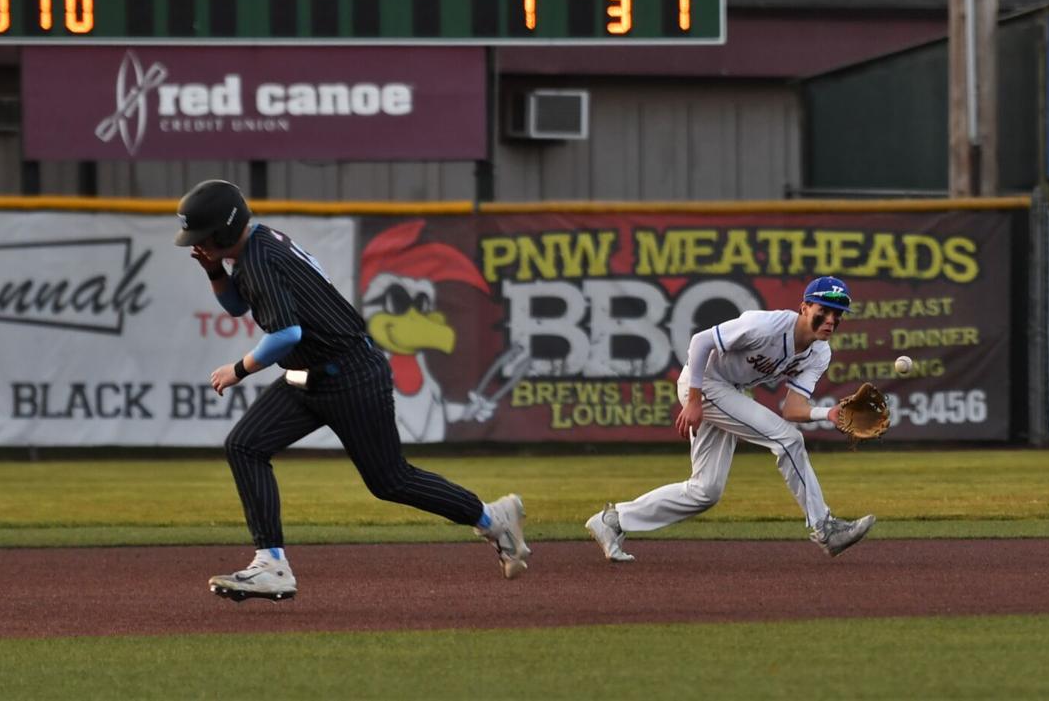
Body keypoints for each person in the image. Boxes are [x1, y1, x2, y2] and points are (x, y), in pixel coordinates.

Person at [174, 179, 529, 601]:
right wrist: (214, 269)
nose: (202, 245)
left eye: (205, 238)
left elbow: (287, 333)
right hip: (308, 376)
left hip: (350, 375)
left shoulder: (260, 259)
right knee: (245, 445)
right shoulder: (257, 246)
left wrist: (239, 368)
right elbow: (237, 306)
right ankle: (271, 564)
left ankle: (492, 519)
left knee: (390, 480)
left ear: (226, 230)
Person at [585, 275, 875, 563]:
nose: (830, 320)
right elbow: (701, 342)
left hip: (729, 390)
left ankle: (613, 520)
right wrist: (695, 401)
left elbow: (792, 408)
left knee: (706, 491)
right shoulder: (767, 325)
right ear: (804, 308)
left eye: (838, 315)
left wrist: (828, 413)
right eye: (823, 311)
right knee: (788, 439)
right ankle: (824, 527)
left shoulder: (819, 353)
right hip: (704, 383)